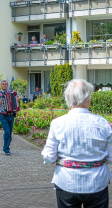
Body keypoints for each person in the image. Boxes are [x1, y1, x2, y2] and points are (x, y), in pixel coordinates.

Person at [41, 79, 112, 208]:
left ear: (68, 99)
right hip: (97, 182)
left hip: (67, 181)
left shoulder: (58, 124)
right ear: (88, 99)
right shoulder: (103, 123)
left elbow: (49, 157)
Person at [0, 80, 20, 155]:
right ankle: (6, 149)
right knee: (7, 132)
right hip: (3, 115)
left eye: (5, 84)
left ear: (7, 85)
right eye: (3, 84)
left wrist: (18, 101)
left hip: (11, 115)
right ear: (1, 85)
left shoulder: (12, 93)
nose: (4, 85)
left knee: (9, 133)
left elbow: (17, 104)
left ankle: (7, 147)